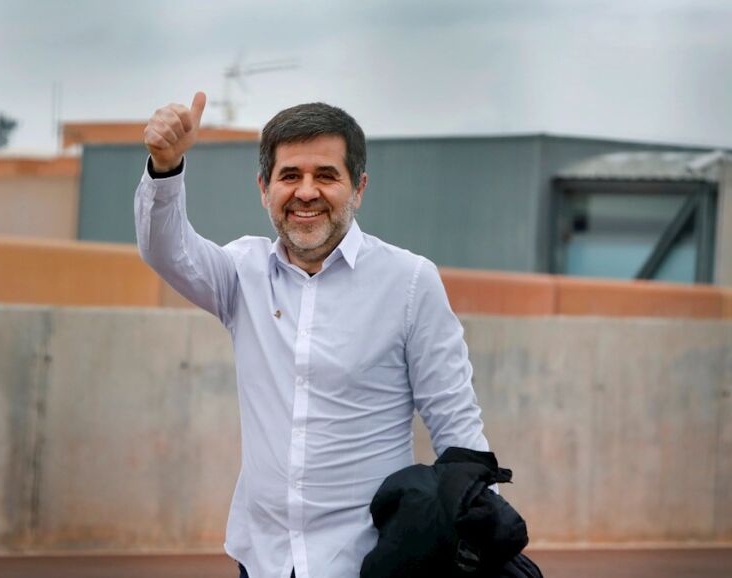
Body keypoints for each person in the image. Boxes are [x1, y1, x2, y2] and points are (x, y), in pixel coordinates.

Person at [135, 91, 491, 578]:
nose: (306, 192)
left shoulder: (410, 282)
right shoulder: (242, 273)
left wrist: (483, 538)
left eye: (326, 175)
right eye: (289, 176)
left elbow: (456, 426)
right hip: (264, 560)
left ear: (358, 188)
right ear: (264, 188)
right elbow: (166, 250)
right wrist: (165, 167)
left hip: (370, 562)